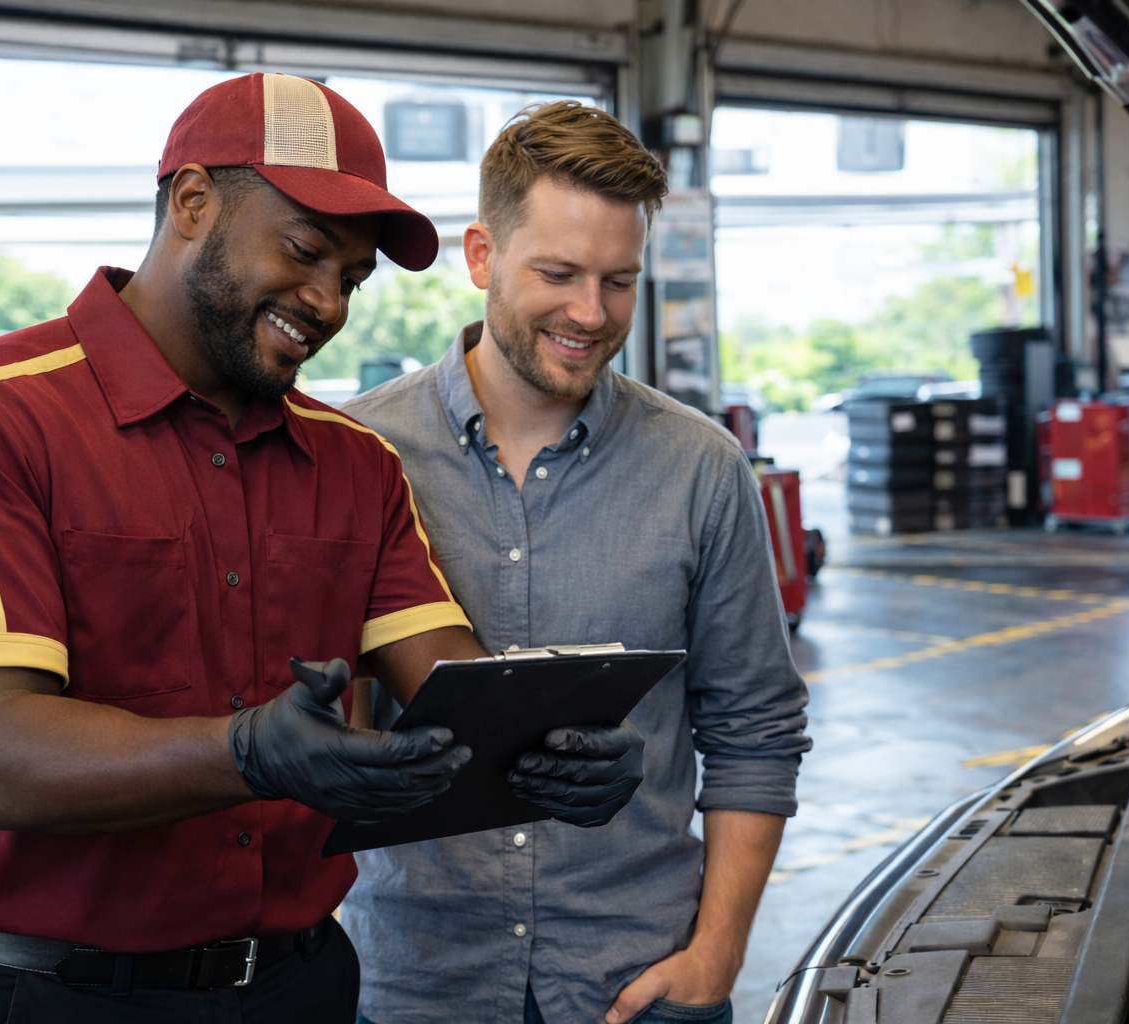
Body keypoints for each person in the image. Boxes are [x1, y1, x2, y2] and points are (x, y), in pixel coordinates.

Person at [0, 75, 643, 1024]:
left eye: (352, 278)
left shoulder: (354, 462)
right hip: (39, 994)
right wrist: (248, 753)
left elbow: (448, 683)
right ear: (192, 202)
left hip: (295, 986)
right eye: (304, 251)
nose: (327, 301)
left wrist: (551, 745)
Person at [340, 102, 811, 1024]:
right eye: (557, 274)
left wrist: (717, 956)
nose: (591, 314)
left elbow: (755, 726)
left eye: (619, 281)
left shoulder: (700, 468)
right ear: (481, 256)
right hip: (415, 982)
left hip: (637, 981)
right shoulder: (358, 452)